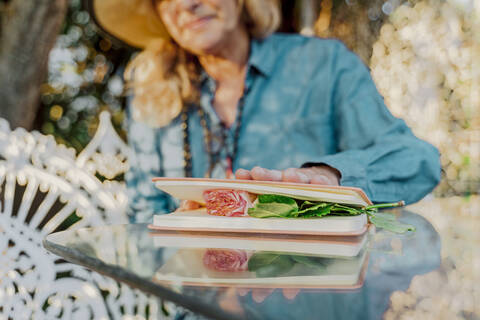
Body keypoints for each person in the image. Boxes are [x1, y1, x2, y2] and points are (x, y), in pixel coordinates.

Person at [88, 0, 441, 223]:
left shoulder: (323, 64)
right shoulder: (151, 89)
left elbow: (419, 160)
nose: (187, 3)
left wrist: (330, 178)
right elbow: (142, 213)